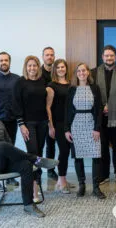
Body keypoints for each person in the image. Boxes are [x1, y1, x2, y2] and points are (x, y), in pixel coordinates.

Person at [0, 94, 59, 218]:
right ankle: (36, 159)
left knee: (25, 164)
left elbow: (9, 144)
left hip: (3, 161)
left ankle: (29, 205)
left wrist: (3, 150)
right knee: (2, 146)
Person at [65, 63, 106, 199]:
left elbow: (99, 110)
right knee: (78, 156)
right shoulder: (71, 90)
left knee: (96, 155)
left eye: (84, 70)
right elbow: (67, 111)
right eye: (79, 71)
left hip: (91, 124)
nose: (81, 73)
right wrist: (67, 129)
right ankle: (81, 185)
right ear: (76, 73)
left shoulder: (95, 88)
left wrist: (97, 128)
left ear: (88, 72)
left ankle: (95, 187)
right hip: (76, 125)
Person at [91, 45, 116, 185]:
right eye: (106, 55)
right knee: (102, 147)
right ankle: (104, 175)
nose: (109, 58)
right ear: (102, 57)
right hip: (99, 117)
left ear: (115, 57)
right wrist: (102, 107)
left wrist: (114, 107)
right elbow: (91, 94)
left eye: (111, 55)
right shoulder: (94, 73)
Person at [13, 55, 48, 203]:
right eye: (29, 66)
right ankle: (33, 192)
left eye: (34, 65)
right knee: (32, 153)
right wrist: (21, 124)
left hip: (42, 123)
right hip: (28, 124)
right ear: (25, 67)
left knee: (39, 154)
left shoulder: (42, 81)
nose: (32, 68)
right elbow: (16, 104)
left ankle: (37, 184)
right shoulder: (20, 82)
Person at [0, 51, 20, 187]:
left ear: (9, 62)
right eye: (1, 60)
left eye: (6, 60)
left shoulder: (17, 79)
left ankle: (9, 177)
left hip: (11, 119)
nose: (3, 62)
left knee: (10, 148)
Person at [46, 59, 71, 193]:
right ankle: (61, 181)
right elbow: (47, 107)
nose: (61, 69)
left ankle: (64, 179)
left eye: (63, 67)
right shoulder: (51, 86)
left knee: (67, 151)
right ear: (55, 70)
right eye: (59, 67)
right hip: (58, 123)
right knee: (64, 151)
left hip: (70, 123)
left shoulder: (71, 84)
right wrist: (51, 126)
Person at [41, 47, 58, 180]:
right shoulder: (38, 73)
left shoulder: (57, 72)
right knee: (47, 143)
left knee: (53, 142)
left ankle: (52, 170)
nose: (49, 57)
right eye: (47, 55)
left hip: (57, 112)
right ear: (43, 57)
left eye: (52, 55)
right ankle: (47, 170)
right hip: (42, 113)